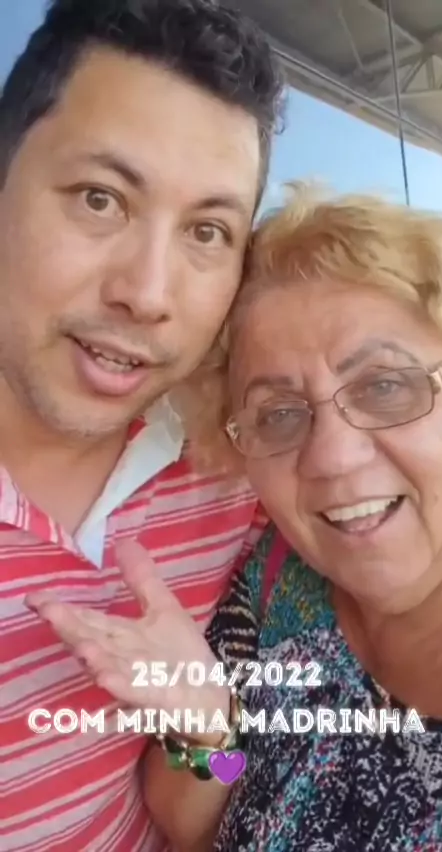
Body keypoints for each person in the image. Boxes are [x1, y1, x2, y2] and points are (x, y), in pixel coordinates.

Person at [35, 184, 442, 850]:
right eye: (279, 414)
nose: (332, 457)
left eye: (385, 385)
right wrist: (210, 731)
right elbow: (194, 825)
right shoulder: (276, 586)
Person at [0, 0, 284, 849]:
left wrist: (209, 729)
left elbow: (221, 784)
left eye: (207, 231)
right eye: (100, 198)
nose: (148, 293)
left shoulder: (235, 469)